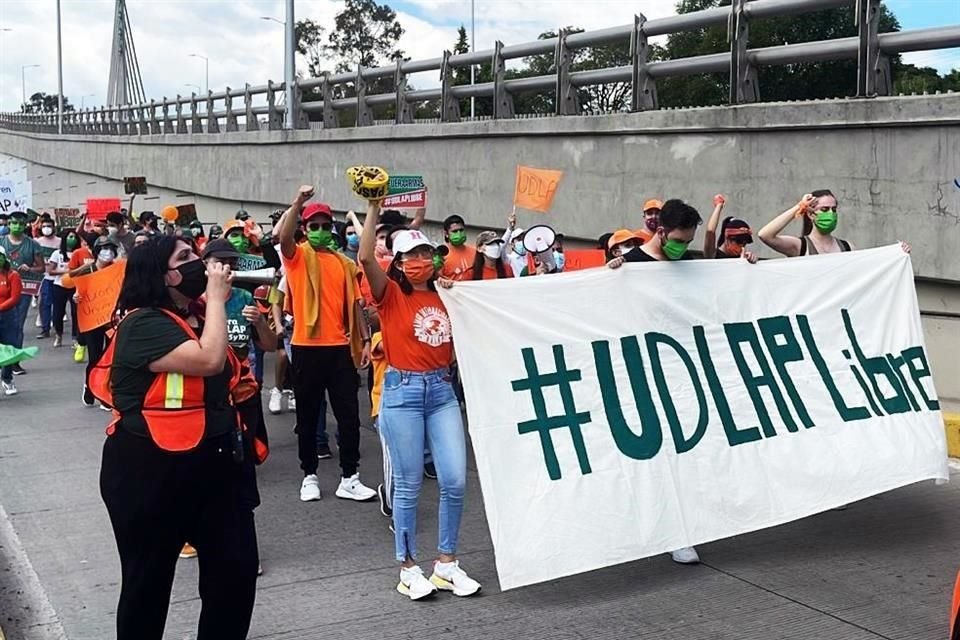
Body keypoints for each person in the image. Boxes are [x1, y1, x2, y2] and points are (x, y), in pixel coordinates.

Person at [94, 235, 258, 639]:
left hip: (216, 464)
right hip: (148, 470)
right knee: (148, 586)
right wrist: (219, 299)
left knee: (234, 577)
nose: (200, 264)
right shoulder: (143, 323)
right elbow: (208, 359)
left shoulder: (199, 315)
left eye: (197, 255)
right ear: (160, 274)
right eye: (184, 258)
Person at [357, 199, 480, 600]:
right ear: (398, 261)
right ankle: (408, 568)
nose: (421, 260)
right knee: (408, 485)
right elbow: (363, 256)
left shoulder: (451, 294)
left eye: (426, 252)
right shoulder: (389, 293)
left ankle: (446, 563)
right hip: (402, 391)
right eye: (412, 254)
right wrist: (374, 207)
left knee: (455, 481)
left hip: (442, 391)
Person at [607, 198, 712, 564]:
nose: (683, 247)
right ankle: (673, 531)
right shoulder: (631, 266)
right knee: (658, 456)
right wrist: (609, 276)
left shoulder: (688, 264)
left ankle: (680, 527)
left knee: (685, 454)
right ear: (661, 231)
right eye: (680, 239)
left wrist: (744, 268)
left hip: (683, 371)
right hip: (643, 373)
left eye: (689, 241)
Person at [276, 186, 375, 503]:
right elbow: (284, 238)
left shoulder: (345, 264)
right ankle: (309, 475)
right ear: (305, 229)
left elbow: (357, 306)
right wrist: (298, 202)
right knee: (307, 415)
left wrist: (364, 342)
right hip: (306, 347)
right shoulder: (297, 257)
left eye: (324, 225)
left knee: (348, 416)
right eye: (313, 226)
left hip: (341, 349)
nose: (320, 230)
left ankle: (350, 476)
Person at [67, 236, 121, 409]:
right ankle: (90, 387)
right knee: (95, 358)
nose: (108, 253)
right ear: (97, 251)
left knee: (111, 358)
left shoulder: (118, 269)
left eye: (111, 249)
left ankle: (105, 394)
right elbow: (68, 282)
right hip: (92, 320)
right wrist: (76, 296)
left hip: (112, 320)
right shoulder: (87, 270)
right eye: (104, 249)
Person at [0, 211, 44, 375]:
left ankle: (14, 362)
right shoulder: (1, 242)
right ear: (8, 224)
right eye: (13, 223)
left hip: (22, 289)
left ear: (25, 225)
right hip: (1, 288)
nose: (16, 226)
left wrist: (30, 268)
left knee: (16, 326)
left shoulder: (33, 244)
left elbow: (42, 268)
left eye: (20, 223)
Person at [758, 190, 855, 257]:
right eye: (824, 209)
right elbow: (765, 235)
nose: (831, 213)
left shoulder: (848, 248)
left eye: (833, 209)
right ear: (811, 214)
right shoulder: (800, 246)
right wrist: (800, 207)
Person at [46, 230, 82, 348]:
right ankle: (58, 335)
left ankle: (75, 337)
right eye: (70, 236)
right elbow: (50, 271)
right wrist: (66, 271)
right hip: (59, 286)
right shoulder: (57, 254)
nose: (72, 239)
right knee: (58, 313)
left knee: (76, 313)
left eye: (74, 237)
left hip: (75, 286)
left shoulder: (79, 253)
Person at [703, 194, 758, 261]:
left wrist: (750, 262)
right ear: (727, 238)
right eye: (738, 241)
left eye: (744, 243)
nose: (741, 247)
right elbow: (710, 231)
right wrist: (719, 206)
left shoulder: (743, 258)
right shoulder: (713, 255)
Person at [0, 246, 24, 396]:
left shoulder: (12, 275)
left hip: (8, 315)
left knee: (9, 348)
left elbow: (15, 298)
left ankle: (7, 378)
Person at [34, 214, 60, 340]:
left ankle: (58, 327)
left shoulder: (60, 242)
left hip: (58, 277)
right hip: (45, 277)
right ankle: (45, 329)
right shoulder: (37, 242)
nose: (46, 228)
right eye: (44, 226)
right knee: (44, 303)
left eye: (49, 226)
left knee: (58, 304)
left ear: (54, 227)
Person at [440, 214, 476, 281]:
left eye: (461, 230)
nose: (459, 234)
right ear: (446, 234)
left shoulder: (475, 252)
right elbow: (438, 278)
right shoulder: (441, 254)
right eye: (455, 231)